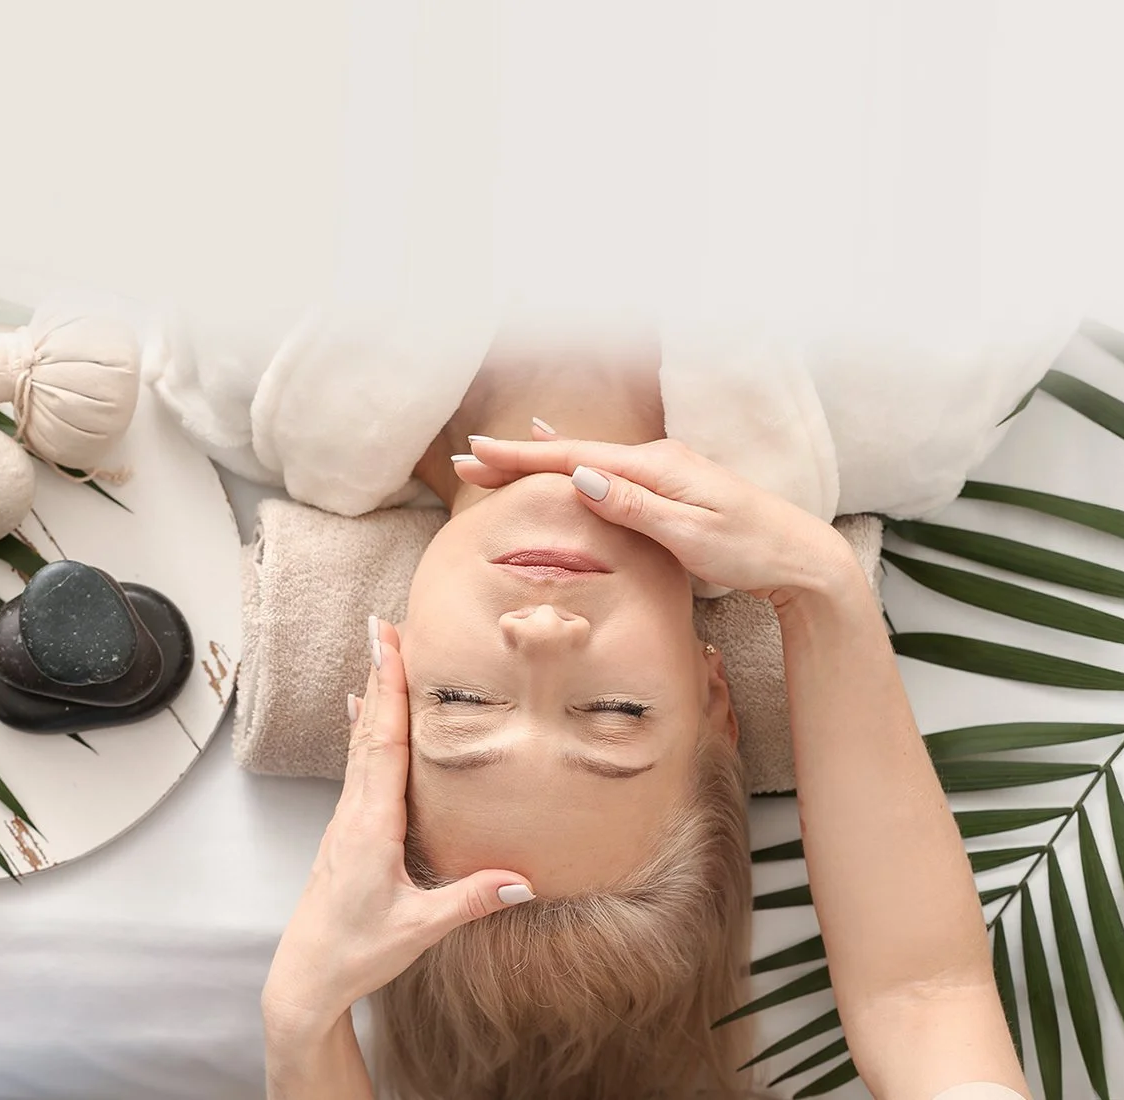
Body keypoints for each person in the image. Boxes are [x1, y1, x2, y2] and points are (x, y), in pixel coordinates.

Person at [250, 334, 1052, 1098]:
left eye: (462, 704)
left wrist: (299, 1019)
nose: (542, 635)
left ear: (381, 700)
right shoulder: (917, 394)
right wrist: (818, 585)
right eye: (614, 712)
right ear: (715, 697)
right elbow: (924, 997)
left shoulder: (256, 370)